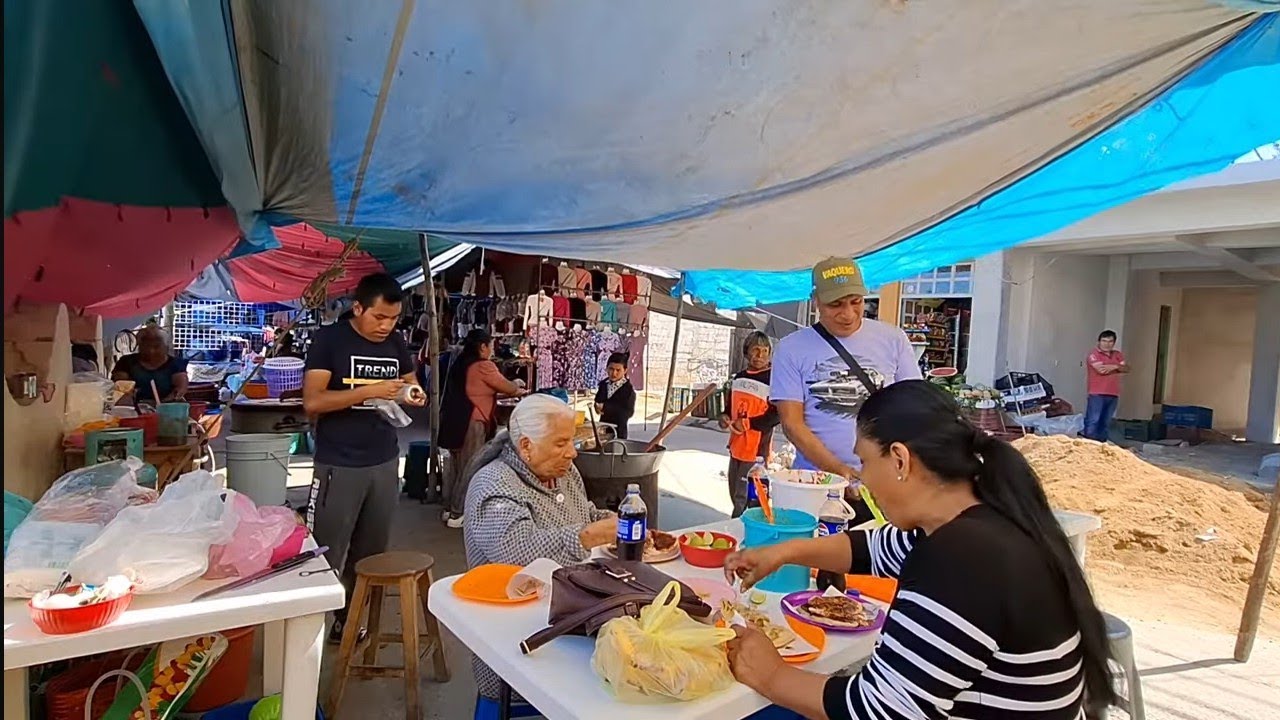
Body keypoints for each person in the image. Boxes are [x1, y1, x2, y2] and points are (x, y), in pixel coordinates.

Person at [723, 380, 1115, 719]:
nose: (861, 480)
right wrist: (783, 552)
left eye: (863, 461)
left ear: (899, 460)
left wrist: (770, 674)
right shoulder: (980, 522)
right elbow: (869, 550)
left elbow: (882, 710)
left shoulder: (963, 558)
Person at [463, 394, 617, 709]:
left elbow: (582, 515)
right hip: (516, 635)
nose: (572, 452)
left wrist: (612, 521)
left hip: (570, 616)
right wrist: (586, 537)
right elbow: (515, 550)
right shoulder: (493, 484)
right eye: (561, 443)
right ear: (526, 446)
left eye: (572, 441)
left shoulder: (565, 473)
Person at [301, 272, 425, 643]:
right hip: (339, 462)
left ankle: (351, 622)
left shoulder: (396, 343)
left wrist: (410, 394)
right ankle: (308, 629)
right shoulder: (331, 341)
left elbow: (412, 384)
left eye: (393, 319)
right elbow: (314, 401)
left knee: (371, 553)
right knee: (327, 548)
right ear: (358, 308)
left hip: (384, 460)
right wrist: (368, 391)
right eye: (379, 318)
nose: (386, 326)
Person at [771, 257, 921, 520]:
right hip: (817, 485)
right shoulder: (791, 348)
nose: (848, 314)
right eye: (835, 304)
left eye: (856, 302)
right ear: (815, 300)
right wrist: (840, 471)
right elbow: (792, 424)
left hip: (884, 485)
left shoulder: (893, 339)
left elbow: (914, 408)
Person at [439, 328, 528, 528]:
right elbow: (506, 387)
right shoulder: (483, 366)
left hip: (455, 420)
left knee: (456, 466)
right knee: (471, 467)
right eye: (490, 345)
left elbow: (484, 391)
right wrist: (517, 385)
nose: (492, 350)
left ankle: (449, 508)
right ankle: (458, 513)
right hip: (472, 421)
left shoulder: (460, 363)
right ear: (482, 347)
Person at [719, 331, 779, 517]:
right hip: (736, 447)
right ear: (746, 353)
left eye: (765, 350)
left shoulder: (774, 379)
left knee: (747, 500)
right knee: (733, 492)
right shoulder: (738, 378)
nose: (760, 355)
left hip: (756, 452)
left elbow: (776, 415)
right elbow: (729, 408)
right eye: (755, 350)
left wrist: (747, 423)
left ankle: (742, 535)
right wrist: (724, 418)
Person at [111, 325, 189, 405]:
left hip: (167, 407)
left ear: (166, 347)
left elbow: (180, 388)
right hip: (133, 407)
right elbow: (121, 385)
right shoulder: (126, 362)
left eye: (156, 347)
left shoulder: (176, 364)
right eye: (146, 346)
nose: (151, 351)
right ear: (139, 346)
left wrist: (162, 404)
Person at [1083, 329, 1128, 442]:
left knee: (1106, 421)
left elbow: (1127, 368)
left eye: (1110, 341)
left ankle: (1101, 444)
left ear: (1114, 343)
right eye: (1104, 341)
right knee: (1094, 420)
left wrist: (1113, 367)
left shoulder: (1118, 354)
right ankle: (1089, 444)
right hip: (1097, 392)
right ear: (1099, 341)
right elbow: (1101, 370)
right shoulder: (1094, 355)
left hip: (1113, 393)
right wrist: (1117, 366)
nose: (1107, 344)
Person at [593, 352, 636, 440]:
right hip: (603, 429)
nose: (614, 373)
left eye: (618, 370)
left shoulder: (628, 390)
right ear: (606, 368)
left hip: (618, 432)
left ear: (625, 370)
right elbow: (598, 400)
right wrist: (597, 407)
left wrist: (606, 407)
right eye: (611, 369)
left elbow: (628, 412)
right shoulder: (604, 385)